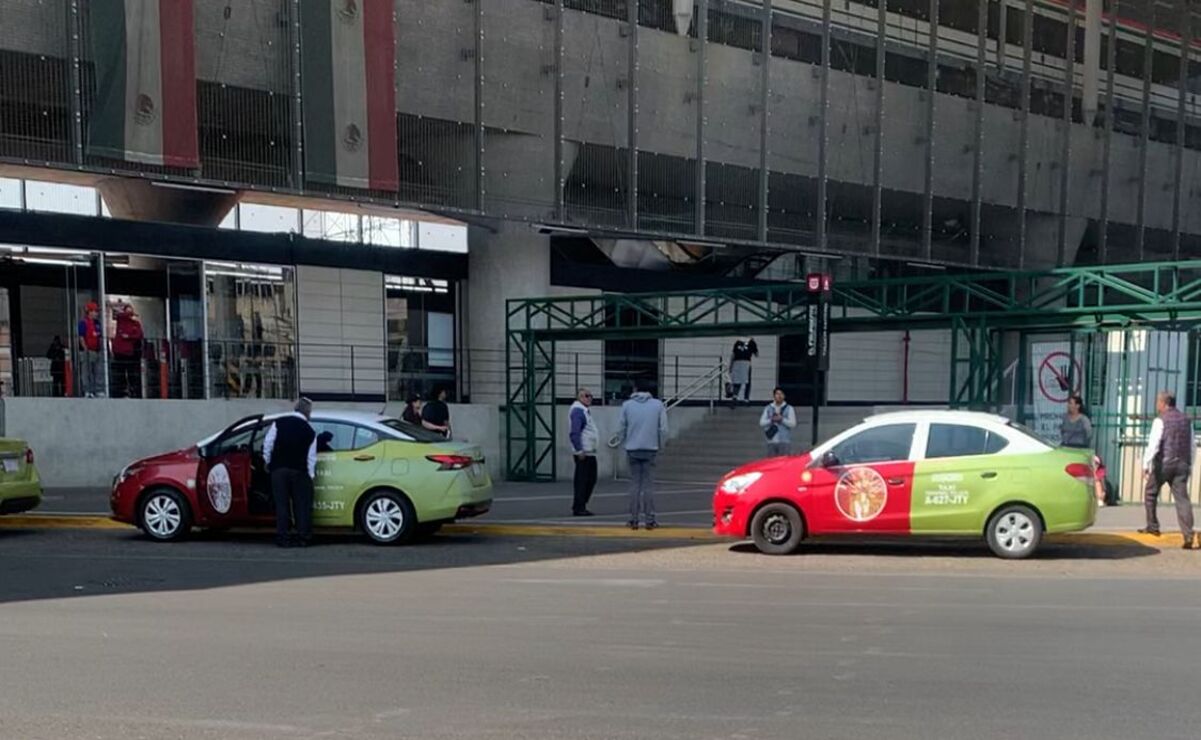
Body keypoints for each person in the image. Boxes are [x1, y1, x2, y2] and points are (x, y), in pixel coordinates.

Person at [1140, 391, 1196, 549]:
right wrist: (1189, 464)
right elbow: (1192, 445)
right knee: (1182, 499)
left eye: (1158, 402)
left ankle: (1153, 525)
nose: (1156, 405)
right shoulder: (1186, 420)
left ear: (1163, 403)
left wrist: (1146, 464)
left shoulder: (1160, 420)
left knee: (1150, 492)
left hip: (1164, 464)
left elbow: (1154, 444)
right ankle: (1188, 534)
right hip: (1182, 464)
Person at [263, 398, 318, 548]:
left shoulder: (279, 422)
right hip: (299, 471)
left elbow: (268, 443)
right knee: (302, 505)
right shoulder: (310, 431)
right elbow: (311, 458)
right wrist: (311, 476)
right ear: (307, 413)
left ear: (295, 409)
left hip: (279, 470)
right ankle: (303, 537)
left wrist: (268, 461)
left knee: (282, 505)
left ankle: (283, 538)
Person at [619, 380, 668, 530]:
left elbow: (621, 427)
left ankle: (633, 519)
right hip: (650, 448)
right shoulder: (658, 405)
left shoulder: (627, 405)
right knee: (648, 485)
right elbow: (664, 429)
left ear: (635, 389)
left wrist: (624, 442)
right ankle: (650, 519)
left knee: (634, 484)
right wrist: (661, 444)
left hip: (632, 448)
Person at [1061, 394, 1106, 507]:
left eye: (1071, 403)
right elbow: (1062, 431)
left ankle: (1097, 497)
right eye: (1068, 403)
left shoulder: (1083, 420)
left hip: (1080, 449)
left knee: (1085, 475)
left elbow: (1089, 434)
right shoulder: (1065, 418)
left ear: (1078, 405)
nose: (1069, 406)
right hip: (1066, 448)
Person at [568, 388, 599, 517]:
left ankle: (580, 505)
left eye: (590, 396)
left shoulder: (584, 411)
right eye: (586, 396)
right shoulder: (578, 411)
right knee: (583, 481)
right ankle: (579, 506)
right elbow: (575, 432)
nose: (589, 398)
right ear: (579, 397)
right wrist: (579, 449)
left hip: (589, 452)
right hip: (584, 453)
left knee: (589, 479)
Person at [111, 304, 144, 398]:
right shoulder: (121, 321)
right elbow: (118, 315)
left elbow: (139, 335)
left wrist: (129, 337)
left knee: (131, 374)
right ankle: (121, 392)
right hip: (119, 352)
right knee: (120, 374)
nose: (129, 314)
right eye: (128, 311)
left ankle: (132, 391)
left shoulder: (135, 324)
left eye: (130, 311)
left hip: (130, 353)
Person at [760, 387, 797, 458]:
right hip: (771, 441)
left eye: (781, 394)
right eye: (777, 394)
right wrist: (771, 420)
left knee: (783, 463)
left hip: (784, 441)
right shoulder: (768, 408)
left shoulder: (789, 408)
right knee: (771, 463)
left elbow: (793, 424)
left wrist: (782, 419)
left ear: (784, 396)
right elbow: (762, 423)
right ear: (774, 396)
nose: (779, 396)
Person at [76, 301, 102, 397]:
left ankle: (97, 390)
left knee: (97, 371)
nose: (96, 313)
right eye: (94, 311)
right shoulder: (83, 323)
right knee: (87, 371)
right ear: (89, 312)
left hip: (97, 350)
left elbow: (99, 337)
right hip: (88, 351)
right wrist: (85, 348)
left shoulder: (97, 323)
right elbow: (81, 337)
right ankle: (87, 390)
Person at [728, 337, 758, 406]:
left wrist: (731, 366)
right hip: (746, 363)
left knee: (737, 381)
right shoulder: (752, 342)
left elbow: (733, 355)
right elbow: (756, 354)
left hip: (737, 362)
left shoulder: (737, 342)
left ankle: (735, 396)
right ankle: (746, 399)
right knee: (747, 381)